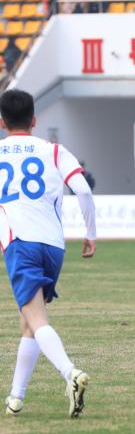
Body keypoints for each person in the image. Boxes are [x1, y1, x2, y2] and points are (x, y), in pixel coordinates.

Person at [0, 89, 96, 417]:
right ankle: (16, 398)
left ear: (2, 122)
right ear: (34, 120)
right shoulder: (54, 150)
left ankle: (71, 373)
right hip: (53, 246)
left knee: (36, 318)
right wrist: (91, 233)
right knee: (29, 320)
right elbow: (83, 190)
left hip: (20, 242)